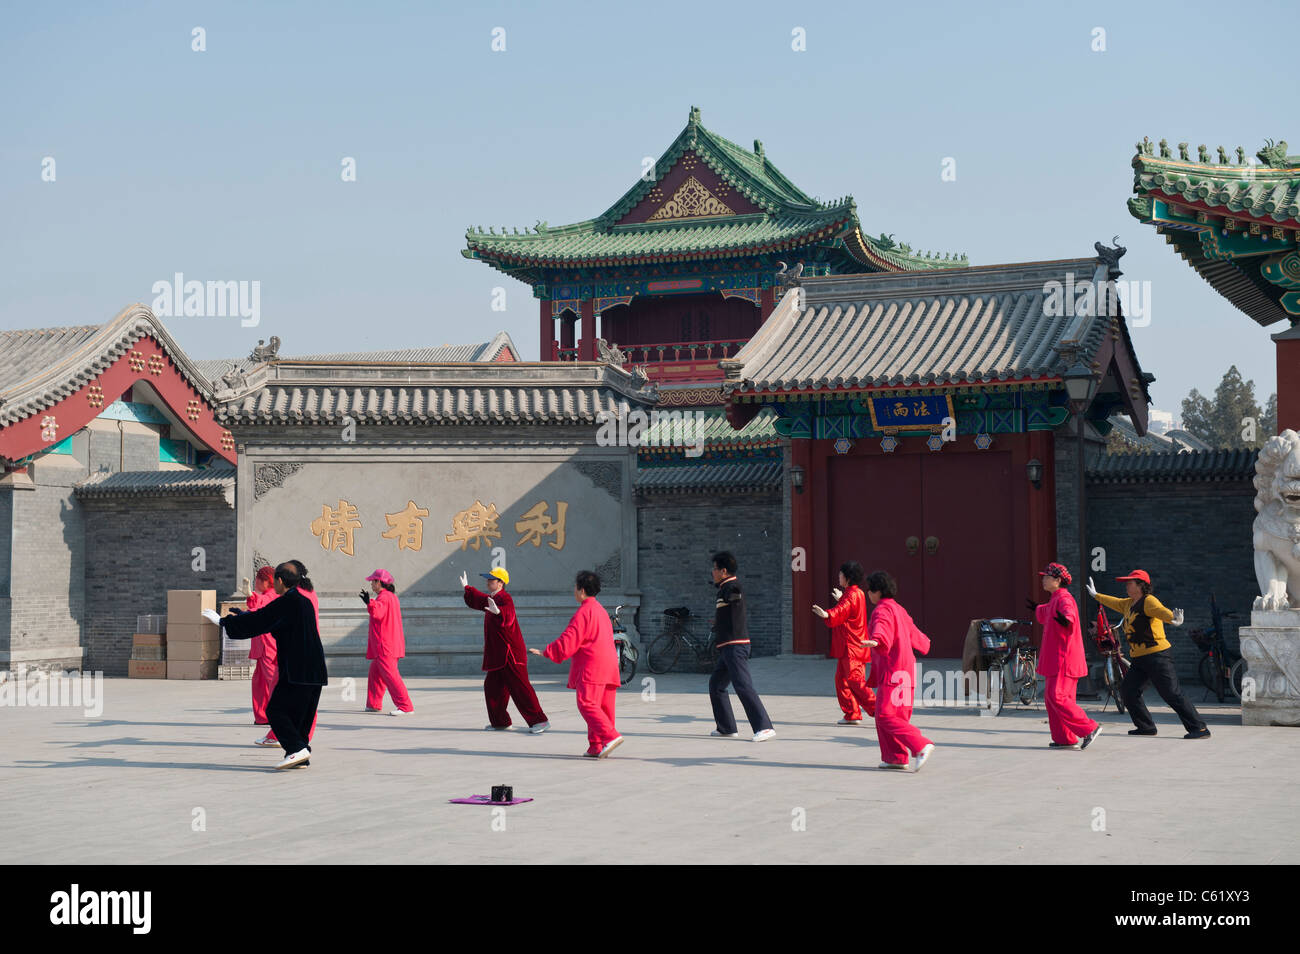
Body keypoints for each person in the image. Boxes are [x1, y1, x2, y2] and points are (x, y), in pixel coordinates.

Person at [205, 561, 327, 769]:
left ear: (279, 580)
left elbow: (262, 620)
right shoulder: (302, 601)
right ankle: (299, 754)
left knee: (275, 711)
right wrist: (243, 616)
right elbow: (267, 619)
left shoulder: (288, 602)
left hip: (297, 669)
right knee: (299, 716)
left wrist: (224, 623)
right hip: (313, 669)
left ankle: (297, 750)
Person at [1089, 570, 1209, 739]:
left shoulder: (1148, 601)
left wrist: (1173, 619)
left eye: (1130, 582)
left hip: (1157, 656)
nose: (1126, 585)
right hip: (1139, 658)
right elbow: (1114, 602)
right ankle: (1146, 727)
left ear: (1140, 585)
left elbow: (1161, 611)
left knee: (1171, 693)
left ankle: (1200, 728)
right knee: (1128, 691)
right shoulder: (1128, 603)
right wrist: (1096, 595)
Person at [529, 570, 622, 758]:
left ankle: (610, 736)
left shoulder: (584, 612)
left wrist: (547, 652)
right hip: (609, 665)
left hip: (592, 666)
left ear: (581, 590)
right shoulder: (601, 611)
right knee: (602, 707)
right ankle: (596, 746)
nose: (574, 590)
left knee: (587, 703)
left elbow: (569, 640)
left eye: (575, 587)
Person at [461, 567, 548, 733]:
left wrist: (499, 612)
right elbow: (478, 599)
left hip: (510, 654)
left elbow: (509, 615)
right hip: (498, 655)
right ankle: (500, 722)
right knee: (493, 688)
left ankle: (540, 721)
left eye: (491, 580)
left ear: (501, 583)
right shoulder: (492, 598)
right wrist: (467, 588)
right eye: (488, 579)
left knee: (520, 688)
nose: (488, 582)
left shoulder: (505, 598)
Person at [863, 571, 934, 771]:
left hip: (892, 670)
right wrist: (925, 643)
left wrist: (877, 640)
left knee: (885, 716)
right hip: (907, 671)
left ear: (877, 591)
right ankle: (896, 757)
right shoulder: (899, 609)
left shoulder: (882, 610)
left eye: (870, 590)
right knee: (898, 716)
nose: (868, 594)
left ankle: (920, 745)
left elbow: (882, 629)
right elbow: (916, 636)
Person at [1030, 563, 1100, 750]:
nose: (1043, 579)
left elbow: (1069, 615)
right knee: (1054, 698)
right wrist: (1037, 608)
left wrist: (1066, 620)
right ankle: (1065, 738)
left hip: (1063, 658)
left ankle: (1089, 728)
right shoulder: (1055, 599)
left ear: (1057, 580)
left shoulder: (1065, 599)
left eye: (1046, 576)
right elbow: (1047, 612)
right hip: (1056, 658)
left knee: (1057, 696)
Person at [708, 551, 775, 742]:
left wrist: (732, 596)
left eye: (714, 569)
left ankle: (764, 727)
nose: (712, 572)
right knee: (716, 685)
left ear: (724, 571)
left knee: (743, 685)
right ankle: (727, 727)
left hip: (735, 647)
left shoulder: (732, 586)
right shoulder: (724, 587)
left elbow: (735, 595)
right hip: (727, 647)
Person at [255, 560, 320, 748]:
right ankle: (293, 738)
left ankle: (286, 739)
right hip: (304, 651)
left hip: (294, 653)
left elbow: (268, 611)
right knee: (299, 700)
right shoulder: (309, 593)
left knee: (280, 699)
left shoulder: (295, 596)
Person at [812, 561, 876, 724]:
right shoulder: (856, 593)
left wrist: (827, 614)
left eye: (841, 574)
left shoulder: (852, 594)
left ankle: (878, 710)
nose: (839, 576)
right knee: (842, 680)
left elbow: (843, 610)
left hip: (852, 646)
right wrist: (841, 599)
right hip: (851, 644)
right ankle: (852, 713)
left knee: (855, 680)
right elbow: (847, 608)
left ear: (847, 578)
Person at [360, 569, 414, 716]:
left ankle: (405, 706)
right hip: (389, 644)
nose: (371, 584)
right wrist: (371, 602)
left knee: (391, 676)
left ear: (379, 582)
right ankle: (373, 704)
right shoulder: (390, 597)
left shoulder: (383, 597)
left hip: (385, 645)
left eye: (373, 581)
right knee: (375, 673)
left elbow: (378, 613)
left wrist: (369, 602)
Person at [246, 566, 278, 730]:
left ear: (265, 581)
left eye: (258, 579)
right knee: (259, 682)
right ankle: (262, 717)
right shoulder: (268, 595)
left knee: (272, 680)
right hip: (262, 644)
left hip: (267, 645)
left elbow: (259, 605)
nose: (256, 581)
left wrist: (251, 596)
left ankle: (278, 714)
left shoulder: (271, 596)